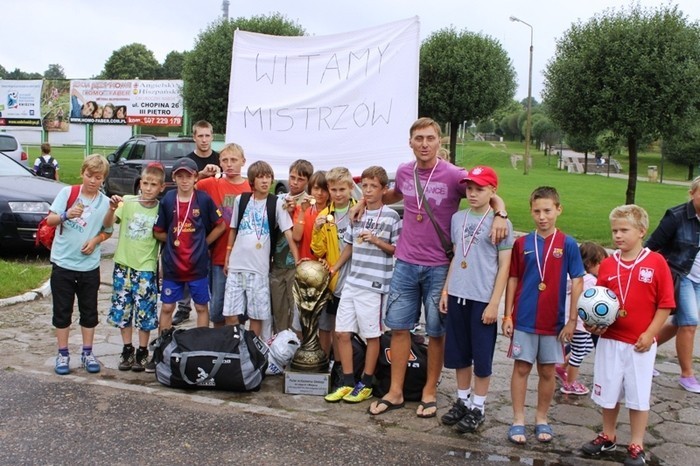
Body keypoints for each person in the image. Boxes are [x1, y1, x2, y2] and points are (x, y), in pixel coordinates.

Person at [367, 117, 507, 418]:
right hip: (405, 261)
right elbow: (392, 195)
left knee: (435, 332)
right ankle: (395, 391)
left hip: (440, 265)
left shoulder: (454, 174)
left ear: (439, 141)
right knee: (400, 327)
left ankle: (430, 392)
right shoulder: (406, 172)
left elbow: (487, 190)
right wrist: (363, 203)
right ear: (410, 142)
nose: (424, 144)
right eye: (418, 138)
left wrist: (502, 214)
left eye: (430, 138)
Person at [582, 205, 674, 466]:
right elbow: (596, 302)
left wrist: (651, 333)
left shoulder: (656, 262)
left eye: (624, 230)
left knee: (637, 394)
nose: (618, 235)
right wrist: (592, 325)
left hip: (639, 344)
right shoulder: (609, 264)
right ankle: (608, 435)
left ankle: (636, 443)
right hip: (610, 340)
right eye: (614, 230)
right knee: (608, 392)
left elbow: (665, 304)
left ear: (642, 231)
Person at [502, 186, 584, 444]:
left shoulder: (568, 244)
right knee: (522, 367)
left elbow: (578, 281)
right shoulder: (521, 243)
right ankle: (518, 420)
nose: (542, 216)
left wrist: (572, 320)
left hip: (554, 322)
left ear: (558, 209)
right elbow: (513, 278)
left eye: (547, 210)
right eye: (537, 211)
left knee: (548, 371)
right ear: (531, 212)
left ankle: (541, 419)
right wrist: (508, 314)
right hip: (525, 318)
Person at [439, 166, 513, 433]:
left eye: (480, 189)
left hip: (483, 299)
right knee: (459, 355)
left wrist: (496, 303)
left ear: (493, 191)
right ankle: (462, 401)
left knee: (481, 357)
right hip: (458, 293)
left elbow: (504, 267)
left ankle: (478, 407)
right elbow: (457, 257)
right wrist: (447, 290)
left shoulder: (501, 222)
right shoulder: (458, 218)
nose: (472, 193)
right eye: (469, 188)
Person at [324, 166, 401, 404]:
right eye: (364, 185)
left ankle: (366, 382)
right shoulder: (356, 214)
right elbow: (348, 245)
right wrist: (335, 268)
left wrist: (376, 240)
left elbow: (397, 249)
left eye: (373, 186)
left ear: (384, 189)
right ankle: (347, 381)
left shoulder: (392, 216)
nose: (367, 190)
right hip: (352, 281)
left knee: (371, 335)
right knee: (342, 333)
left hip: (374, 285)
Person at [47, 154, 113, 375]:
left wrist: (95, 241)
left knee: (89, 312)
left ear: (103, 179)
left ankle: (87, 352)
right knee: (62, 311)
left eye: (98, 177)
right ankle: (63, 353)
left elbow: (108, 231)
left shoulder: (104, 202)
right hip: (63, 264)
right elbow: (50, 220)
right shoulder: (68, 193)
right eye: (89, 175)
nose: (93, 181)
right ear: (82, 173)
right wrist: (66, 214)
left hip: (88, 267)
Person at [222, 160, 300, 337]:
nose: (265, 181)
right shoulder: (241, 200)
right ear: (252, 181)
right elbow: (233, 229)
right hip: (236, 266)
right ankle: (235, 349)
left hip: (259, 269)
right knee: (230, 314)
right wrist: (227, 255)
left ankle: (252, 351)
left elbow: (288, 233)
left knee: (257, 316)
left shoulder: (276, 203)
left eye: (268, 177)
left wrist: (297, 259)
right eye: (260, 177)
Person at [153, 157, 226, 333]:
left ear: (196, 178)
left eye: (188, 176)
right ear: (174, 178)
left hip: (197, 265)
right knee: (167, 308)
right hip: (173, 265)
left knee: (201, 307)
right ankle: (164, 344)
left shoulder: (203, 199)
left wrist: (204, 243)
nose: (184, 180)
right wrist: (172, 240)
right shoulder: (168, 200)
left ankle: (201, 345)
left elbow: (221, 225)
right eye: (180, 176)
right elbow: (157, 231)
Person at [104, 163, 165, 371]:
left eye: (153, 185)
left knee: (145, 313)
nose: (148, 188)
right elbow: (108, 224)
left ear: (161, 187)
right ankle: (127, 349)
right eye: (145, 183)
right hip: (123, 266)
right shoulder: (128, 202)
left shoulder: (160, 208)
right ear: (140, 184)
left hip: (146, 268)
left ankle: (142, 350)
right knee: (123, 310)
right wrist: (112, 209)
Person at [645, 176, 700, 393]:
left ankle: (643, 352)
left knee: (679, 323)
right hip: (679, 275)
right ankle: (687, 374)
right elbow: (651, 247)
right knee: (689, 323)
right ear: (692, 193)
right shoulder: (676, 216)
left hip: (698, 279)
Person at [194, 143, 251, 328]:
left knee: (241, 308)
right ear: (219, 162)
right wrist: (202, 174)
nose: (229, 164)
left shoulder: (250, 187)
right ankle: (218, 344)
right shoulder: (212, 183)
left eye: (234, 160)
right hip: (218, 256)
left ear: (243, 161)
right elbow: (187, 187)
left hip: (244, 257)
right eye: (225, 160)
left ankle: (238, 341)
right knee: (218, 306)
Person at [172, 120, 222, 325]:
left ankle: (210, 306)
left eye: (207, 135)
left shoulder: (220, 159)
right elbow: (176, 187)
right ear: (194, 137)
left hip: (213, 218)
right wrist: (200, 176)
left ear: (212, 136)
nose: (204, 140)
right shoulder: (187, 161)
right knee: (185, 262)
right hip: (189, 219)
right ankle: (183, 307)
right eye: (200, 136)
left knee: (209, 269)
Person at [311, 166, 357, 357]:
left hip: (356, 275)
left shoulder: (359, 210)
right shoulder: (324, 216)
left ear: (351, 188)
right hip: (334, 279)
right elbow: (318, 251)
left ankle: (343, 365)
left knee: (346, 328)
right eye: (334, 190)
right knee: (328, 325)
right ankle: (327, 363)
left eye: (342, 189)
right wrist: (316, 229)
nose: (338, 194)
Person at [557, 242, 608, 395]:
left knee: (582, 348)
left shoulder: (572, 277)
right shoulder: (590, 281)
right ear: (590, 263)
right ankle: (570, 384)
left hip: (569, 320)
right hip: (579, 323)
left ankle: (561, 366)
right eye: (601, 264)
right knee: (579, 353)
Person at [270, 160, 313, 334]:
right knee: (278, 309)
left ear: (308, 181)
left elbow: (301, 234)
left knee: (296, 312)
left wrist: (295, 213)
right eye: (292, 177)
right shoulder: (279, 199)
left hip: (298, 264)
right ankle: (279, 347)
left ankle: (297, 350)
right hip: (277, 263)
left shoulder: (309, 203)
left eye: (300, 179)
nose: (294, 182)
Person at [293, 170, 330, 261]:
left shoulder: (333, 213)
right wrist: (302, 211)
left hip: (327, 265)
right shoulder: (300, 209)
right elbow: (296, 237)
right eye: (316, 188)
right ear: (310, 189)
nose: (320, 193)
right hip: (306, 265)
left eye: (324, 189)